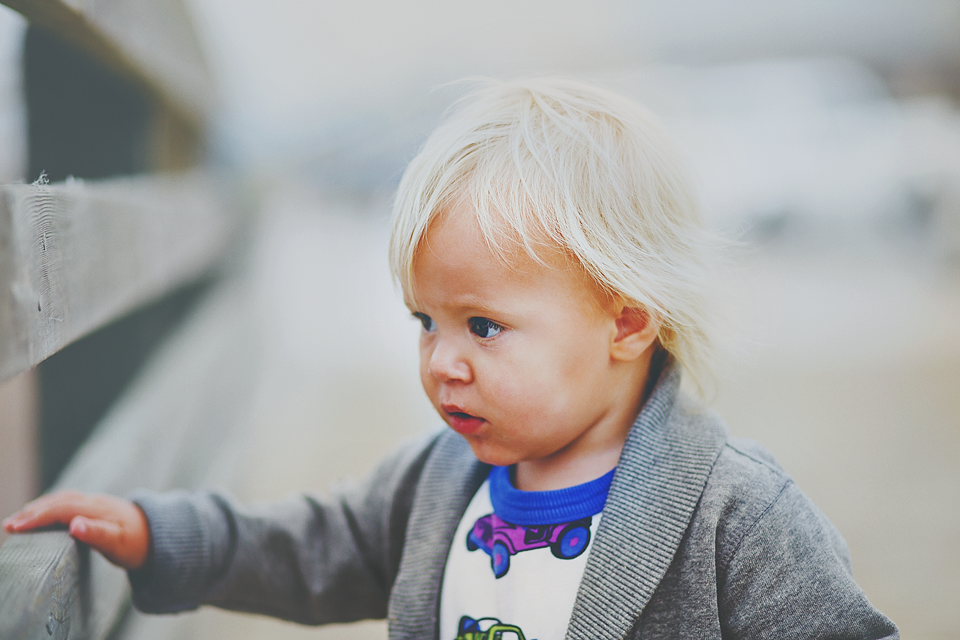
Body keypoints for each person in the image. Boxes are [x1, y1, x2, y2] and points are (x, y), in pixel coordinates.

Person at [3, 77, 897, 639]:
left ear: (627, 324)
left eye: (486, 326)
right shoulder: (440, 483)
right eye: (425, 322)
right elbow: (315, 548)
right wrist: (165, 536)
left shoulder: (734, 514)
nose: (442, 362)